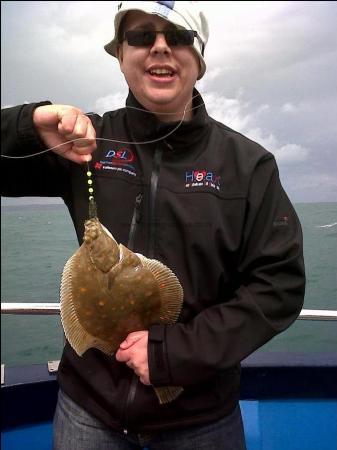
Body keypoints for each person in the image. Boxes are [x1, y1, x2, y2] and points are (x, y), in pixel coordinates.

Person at [1, 1, 306, 449]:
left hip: (202, 419)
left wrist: (172, 356)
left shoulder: (249, 165)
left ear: (198, 60)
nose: (160, 47)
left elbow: (277, 287)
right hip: (89, 411)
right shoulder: (84, 145)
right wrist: (28, 124)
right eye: (142, 36)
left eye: (178, 37)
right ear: (120, 55)